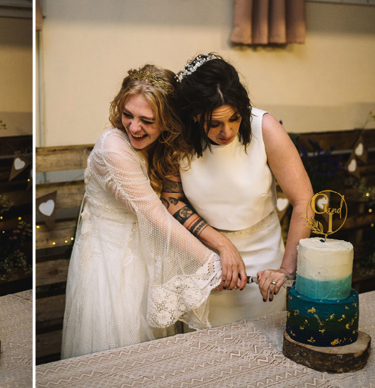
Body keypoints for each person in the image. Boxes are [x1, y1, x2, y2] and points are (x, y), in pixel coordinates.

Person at [60, 64, 226, 360]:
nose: (134, 127)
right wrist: (210, 262)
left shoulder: (161, 145)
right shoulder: (113, 148)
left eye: (147, 120)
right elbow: (154, 214)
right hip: (112, 270)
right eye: (128, 115)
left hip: (148, 261)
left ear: (167, 121)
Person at [163, 53, 313, 327]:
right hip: (205, 261)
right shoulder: (179, 139)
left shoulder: (264, 127)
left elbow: (304, 201)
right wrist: (219, 246)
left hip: (265, 261)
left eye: (234, 118)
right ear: (195, 116)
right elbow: (171, 200)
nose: (227, 131)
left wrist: (285, 269)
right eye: (214, 123)